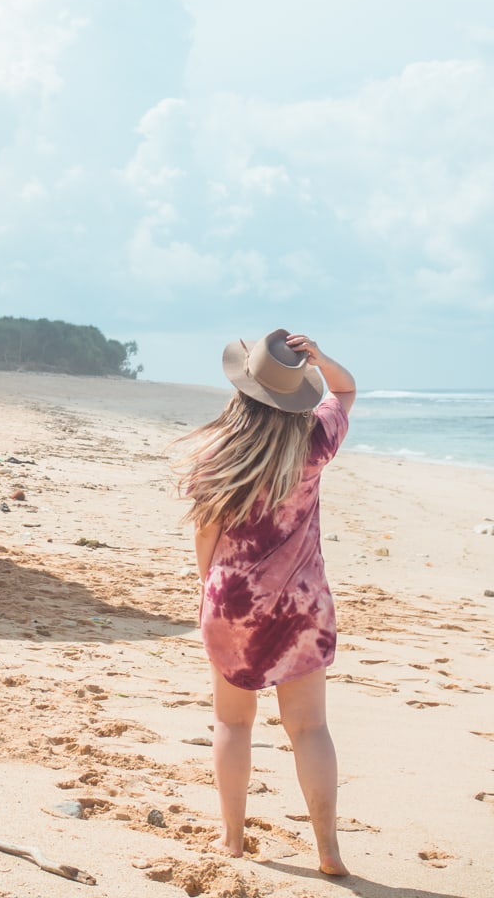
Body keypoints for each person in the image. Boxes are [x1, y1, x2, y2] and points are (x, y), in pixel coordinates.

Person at [172, 329, 355, 877]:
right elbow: (344, 393)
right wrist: (319, 360)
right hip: (303, 604)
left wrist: (209, 587)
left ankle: (232, 839)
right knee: (310, 729)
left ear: (242, 391)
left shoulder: (216, 454)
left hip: (234, 603)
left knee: (233, 723)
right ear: (293, 393)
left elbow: (206, 533)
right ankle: (328, 849)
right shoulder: (314, 442)